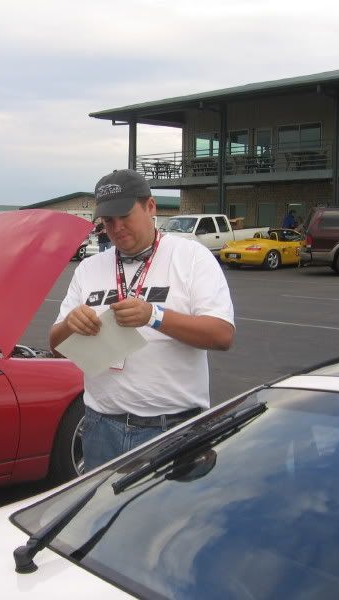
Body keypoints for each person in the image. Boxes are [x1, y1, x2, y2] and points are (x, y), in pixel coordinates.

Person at [50, 169, 235, 472]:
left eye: (125, 216)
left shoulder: (191, 257)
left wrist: (154, 316)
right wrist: (71, 324)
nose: (117, 228)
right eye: (108, 221)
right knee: (100, 504)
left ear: (150, 207)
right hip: (100, 426)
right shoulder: (89, 268)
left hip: (173, 429)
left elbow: (222, 335)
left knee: (171, 506)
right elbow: (56, 347)